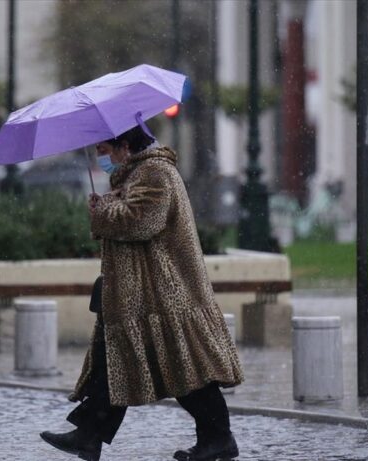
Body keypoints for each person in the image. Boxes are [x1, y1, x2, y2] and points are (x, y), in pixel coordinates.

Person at [40, 125, 244, 461]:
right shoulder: (138, 174)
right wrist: (109, 202)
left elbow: (141, 221)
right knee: (114, 364)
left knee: (184, 368)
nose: (100, 158)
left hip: (163, 293)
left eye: (103, 151)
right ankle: (89, 435)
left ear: (124, 146)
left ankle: (218, 437)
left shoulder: (155, 172)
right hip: (135, 296)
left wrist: (103, 212)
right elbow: (134, 213)